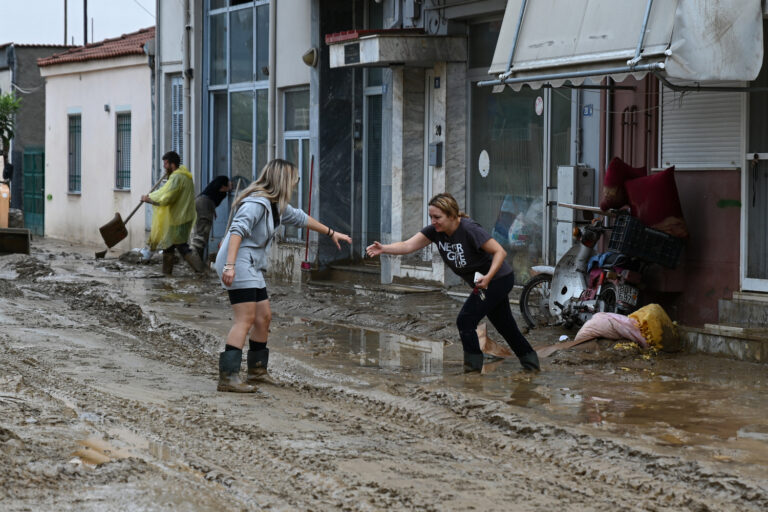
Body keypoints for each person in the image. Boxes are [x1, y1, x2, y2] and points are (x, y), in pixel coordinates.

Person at [215, 158, 351, 393]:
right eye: (294, 179)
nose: (296, 183)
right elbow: (236, 231)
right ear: (284, 180)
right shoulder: (256, 203)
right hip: (238, 261)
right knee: (245, 319)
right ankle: (228, 377)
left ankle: (257, 371)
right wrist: (229, 266)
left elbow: (301, 218)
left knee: (264, 317)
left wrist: (331, 233)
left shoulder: (275, 205)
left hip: (252, 264)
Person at [366, 192, 540, 373]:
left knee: (465, 320)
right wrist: (384, 248)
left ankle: (472, 371)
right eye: (431, 217)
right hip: (484, 283)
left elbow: (500, 252)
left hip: (497, 279)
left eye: (437, 217)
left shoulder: (469, 229)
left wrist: (487, 277)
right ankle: (531, 363)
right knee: (506, 326)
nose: (433, 221)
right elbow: (408, 245)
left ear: (451, 215)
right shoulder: (435, 232)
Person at [141, 151, 205, 275]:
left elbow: (168, 197)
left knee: (181, 245)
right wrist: (152, 196)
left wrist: (149, 199)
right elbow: (164, 191)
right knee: (168, 246)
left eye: (166, 164)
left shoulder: (177, 177)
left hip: (179, 218)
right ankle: (167, 274)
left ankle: (201, 271)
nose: (164, 167)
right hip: (181, 217)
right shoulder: (185, 175)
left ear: (172, 164)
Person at [190, 175, 231, 261]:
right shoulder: (222, 191)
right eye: (228, 183)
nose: (231, 185)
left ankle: (197, 261)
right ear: (223, 186)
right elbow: (212, 199)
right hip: (204, 205)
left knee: (199, 232)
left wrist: (212, 210)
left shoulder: (212, 191)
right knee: (202, 233)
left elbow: (212, 201)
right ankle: (195, 260)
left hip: (200, 203)